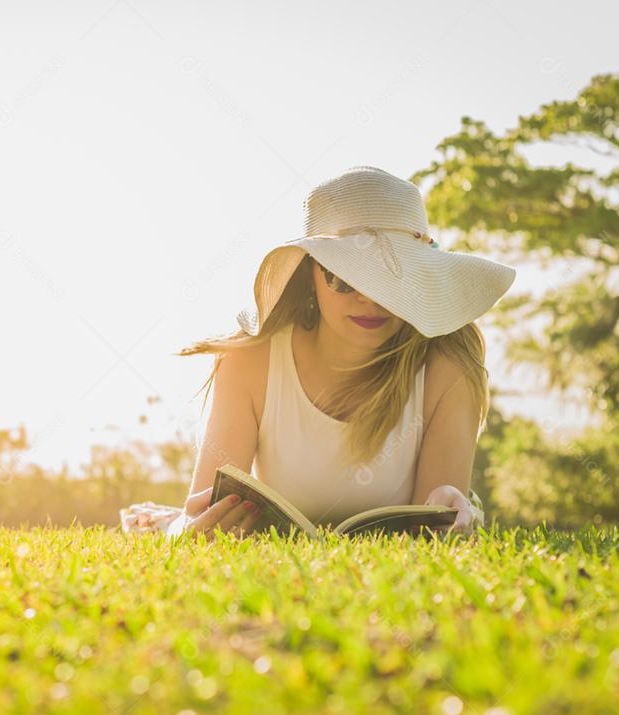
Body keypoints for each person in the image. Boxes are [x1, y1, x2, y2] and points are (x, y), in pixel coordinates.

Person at [173, 165, 514, 540]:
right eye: (344, 278)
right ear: (310, 274)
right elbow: (203, 515)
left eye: (391, 279)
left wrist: (451, 514)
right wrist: (191, 529)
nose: (369, 298)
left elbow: (428, 536)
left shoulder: (448, 370)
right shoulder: (249, 361)